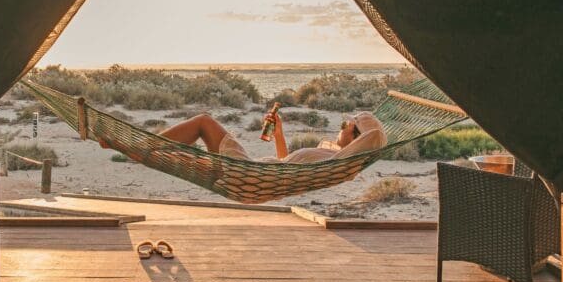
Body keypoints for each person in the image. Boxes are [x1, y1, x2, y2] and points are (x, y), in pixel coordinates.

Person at [145, 109, 388, 163]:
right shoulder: (330, 155)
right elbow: (285, 164)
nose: (342, 125)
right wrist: (279, 133)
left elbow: (374, 136)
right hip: (254, 174)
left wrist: (366, 131)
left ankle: (140, 147)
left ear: (357, 137)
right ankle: (142, 149)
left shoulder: (336, 159)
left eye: (348, 124)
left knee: (204, 121)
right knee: (204, 124)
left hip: (248, 174)